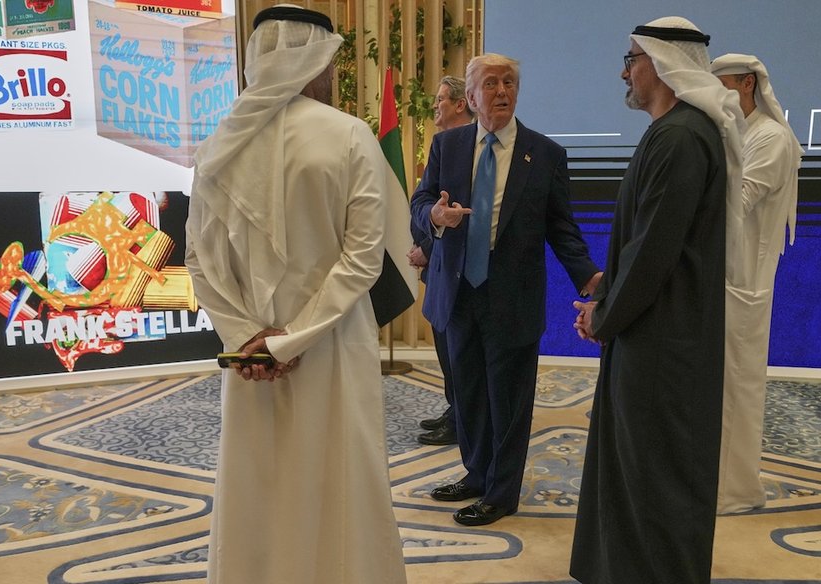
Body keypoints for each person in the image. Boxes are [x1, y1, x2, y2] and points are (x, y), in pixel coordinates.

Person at [185, 6, 406, 583]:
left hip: (252, 360)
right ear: (315, 62)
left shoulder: (218, 146)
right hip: (332, 344)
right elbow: (364, 259)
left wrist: (248, 340)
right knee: (342, 479)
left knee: (260, 481)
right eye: (329, 62)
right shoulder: (350, 134)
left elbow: (198, 262)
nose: (331, 74)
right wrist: (294, 339)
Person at [569, 16, 744, 584]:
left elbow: (653, 255)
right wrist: (609, 298)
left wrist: (605, 316)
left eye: (632, 60)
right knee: (640, 472)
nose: (625, 71)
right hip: (656, 335)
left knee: (655, 478)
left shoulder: (680, 137)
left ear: (664, 65)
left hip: (661, 344)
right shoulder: (676, 132)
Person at [410, 53, 600, 526]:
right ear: (471, 97)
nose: (501, 91)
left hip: (511, 296)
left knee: (508, 400)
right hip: (458, 292)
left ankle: (501, 492)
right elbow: (422, 200)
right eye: (491, 83)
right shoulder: (448, 145)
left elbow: (562, 227)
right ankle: (476, 475)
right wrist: (434, 216)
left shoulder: (546, 154)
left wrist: (589, 278)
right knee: (469, 395)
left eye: (509, 82)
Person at [711, 53, 802, 514]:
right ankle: (714, 482)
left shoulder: (771, 137)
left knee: (739, 385)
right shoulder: (734, 133)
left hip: (745, 278)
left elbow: (738, 201)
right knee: (717, 383)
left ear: (748, 84)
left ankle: (735, 491)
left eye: (724, 86)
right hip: (720, 276)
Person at [409, 75, 474, 446]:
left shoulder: (477, 151)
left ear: (460, 103)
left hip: (458, 272)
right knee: (446, 350)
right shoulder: (441, 146)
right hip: (437, 270)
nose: (435, 106)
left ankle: (462, 419)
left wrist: (428, 249)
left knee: (459, 353)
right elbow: (425, 203)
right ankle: (455, 410)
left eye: (440, 100)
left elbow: (467, 218)